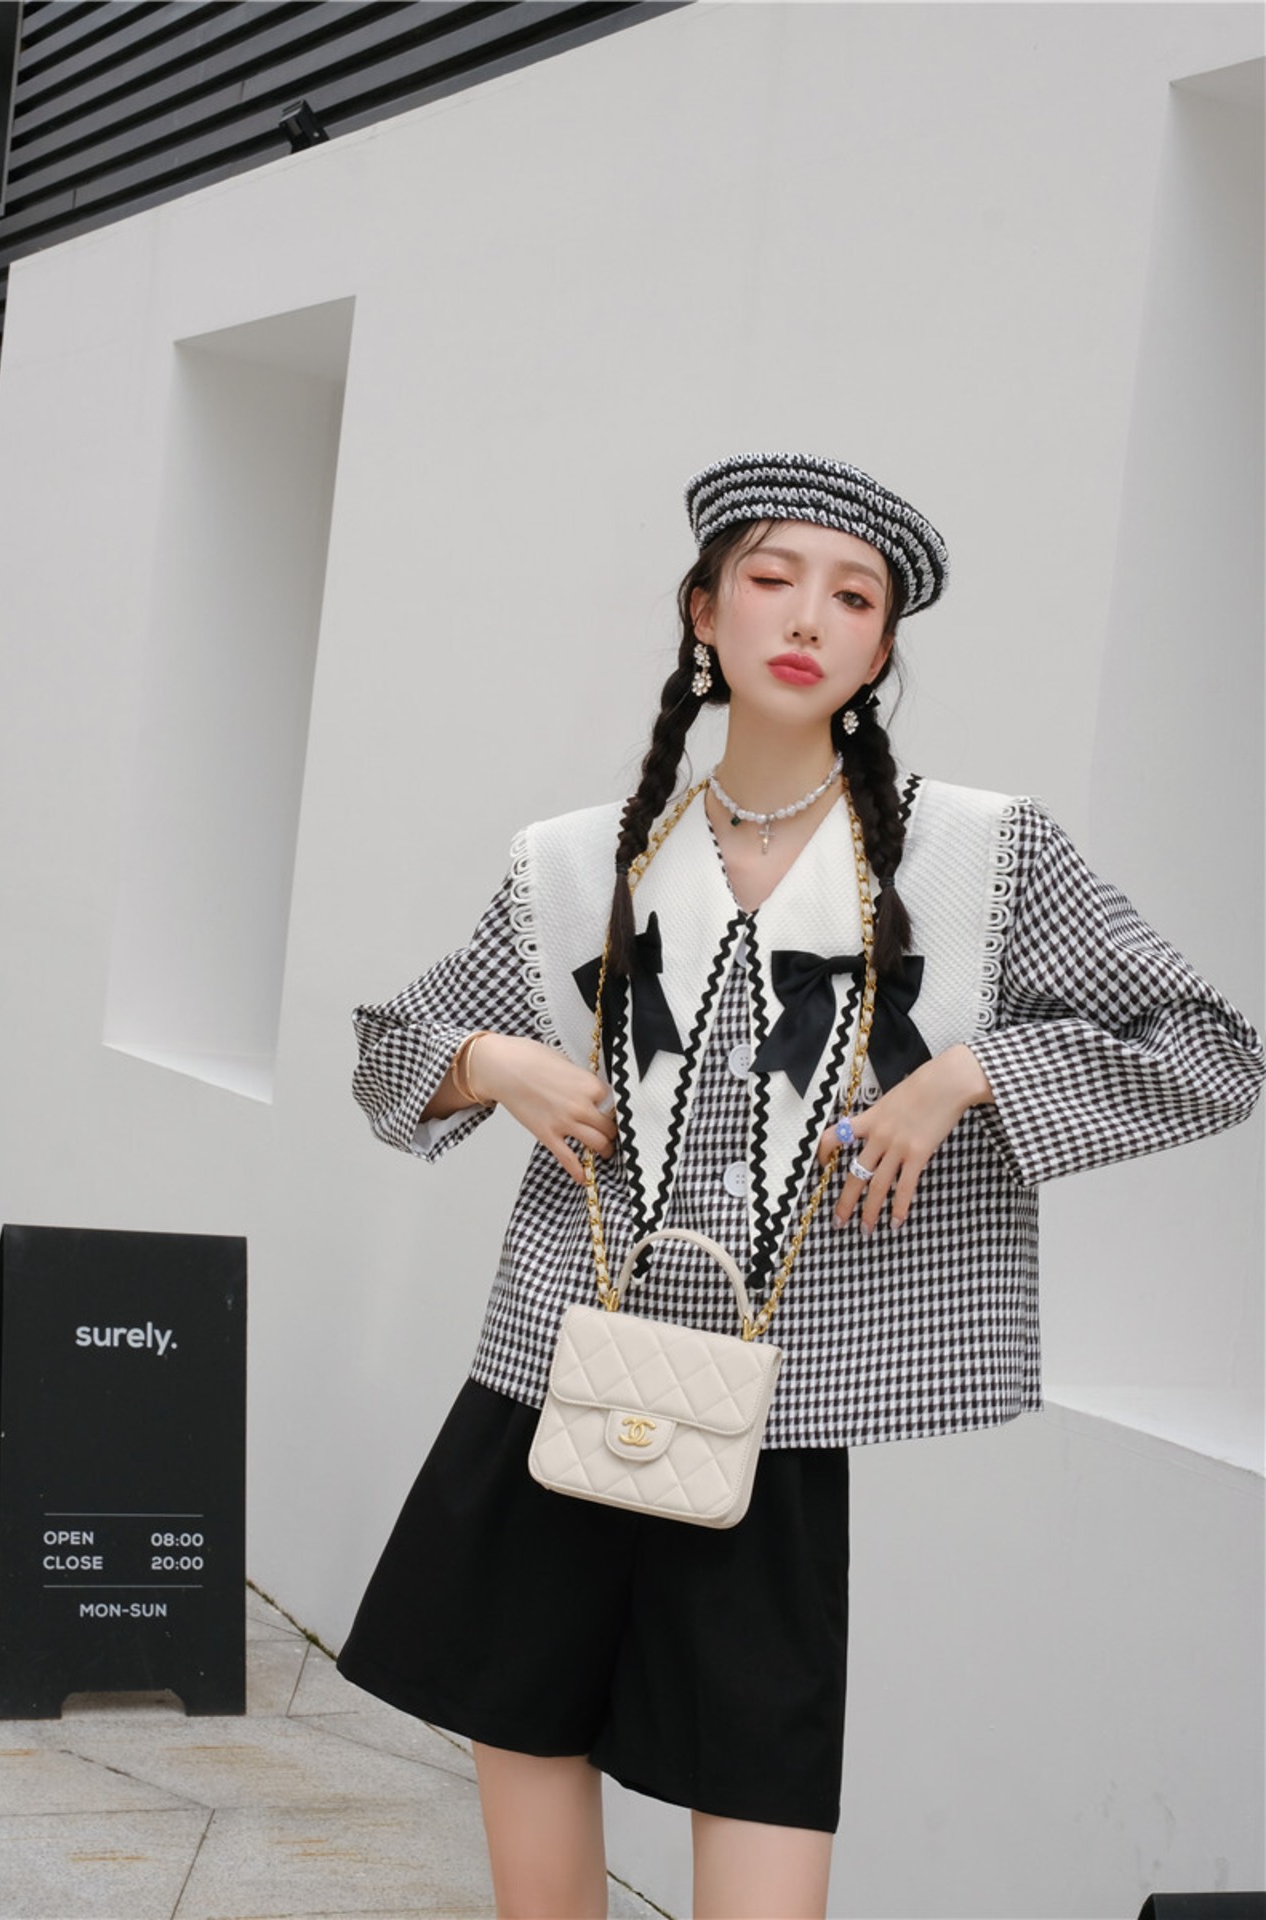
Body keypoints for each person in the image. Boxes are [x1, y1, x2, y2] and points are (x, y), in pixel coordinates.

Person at [336, 451, 1263, 1920]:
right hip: (554, 1373)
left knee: (760, 1785)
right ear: (704, 611)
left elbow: (1213, 1051)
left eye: (856, 598)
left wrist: (972, 1075)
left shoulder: (978, 855)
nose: (810, 616)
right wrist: (498, 1063)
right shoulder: (575, 864)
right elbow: (389, 1062)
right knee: (521, 1730)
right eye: (772, 578)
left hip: (786, 1400)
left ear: (881, 651)